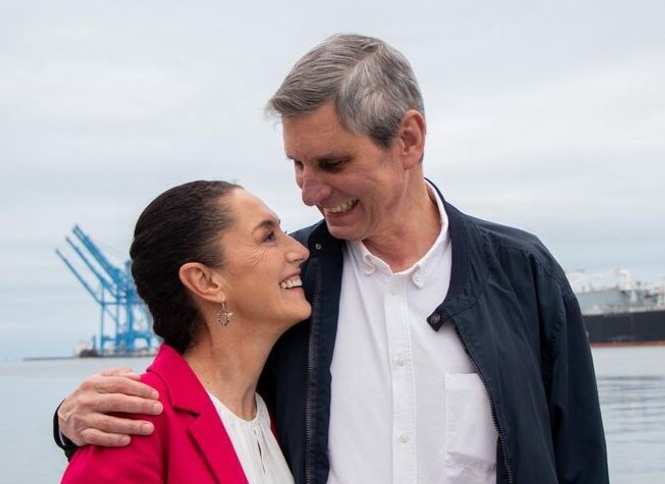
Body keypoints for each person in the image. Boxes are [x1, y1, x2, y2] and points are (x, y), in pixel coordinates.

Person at [55, 34, 609, 483]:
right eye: (297, 164)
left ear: (409, 140)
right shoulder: (291, 285)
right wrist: (70, 421)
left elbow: (579, 458)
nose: (309, 191)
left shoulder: (524, 273)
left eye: (331, 162)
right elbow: (198, 381)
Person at [60, 180, 309, 483]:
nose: (299, 250)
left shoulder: (278, 412)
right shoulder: (134, 425)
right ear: (205, 281)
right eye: (268, 236)